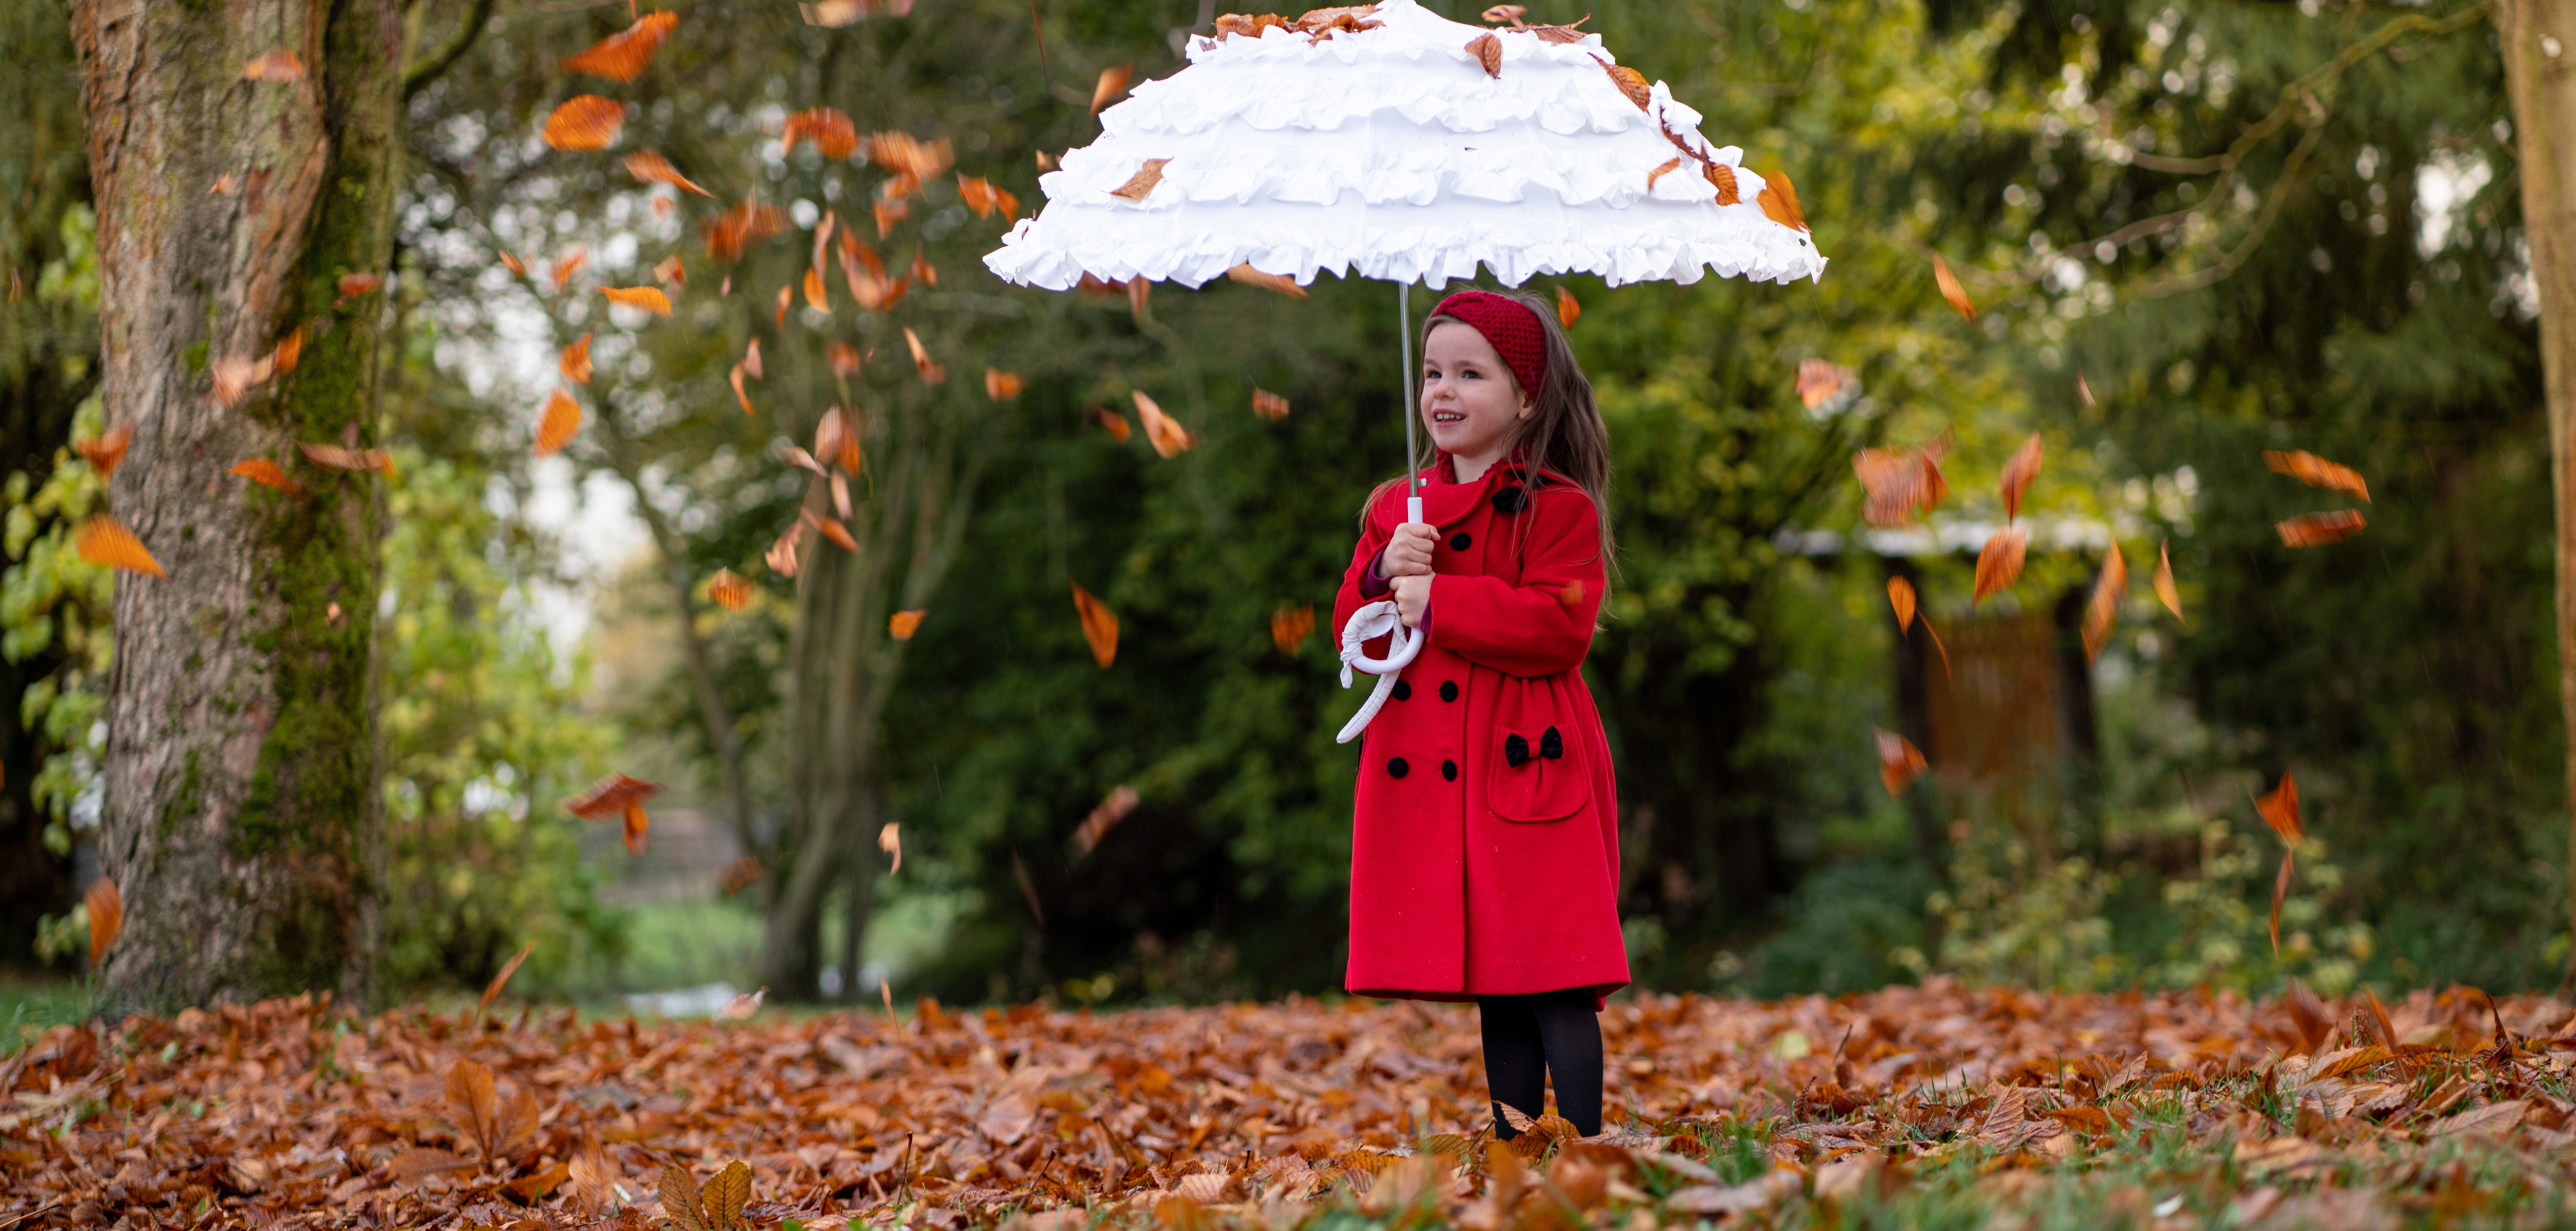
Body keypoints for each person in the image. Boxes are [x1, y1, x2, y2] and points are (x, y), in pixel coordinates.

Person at [1330, 287, 1628, 1140]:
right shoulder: (1397, 507)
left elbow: (1558, 627)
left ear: (1526, 395)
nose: (1442, 391)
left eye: (1470, 372)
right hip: (1431, 767)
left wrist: (1441, 600)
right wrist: (1386, 570)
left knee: (1553, 967)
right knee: (1497, 973)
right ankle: (1514, 1146)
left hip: (1526, 758)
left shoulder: (1556, 505)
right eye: (1431, 373)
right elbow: (1350, 630)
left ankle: (1578, 1144)